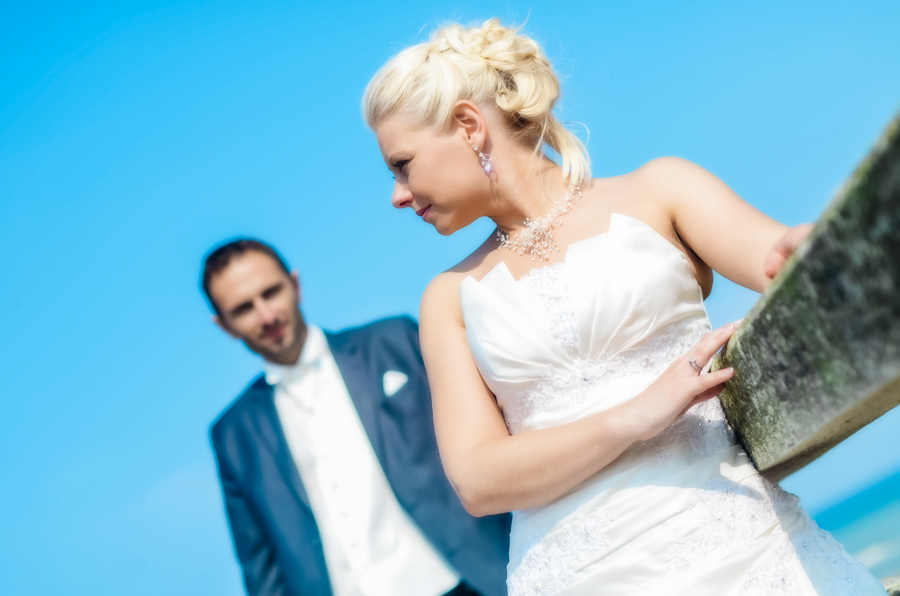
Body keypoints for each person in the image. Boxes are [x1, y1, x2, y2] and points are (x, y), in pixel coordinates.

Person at [362, 19, 887, 596]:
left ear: (468, 126)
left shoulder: (660, 190)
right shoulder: (448, 299)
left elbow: (780, 261)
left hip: (743, 548)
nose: (398, 195)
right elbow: (478, 480)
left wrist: (816, 250)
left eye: (402, 164)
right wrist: (633, 416)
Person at [203, 238, 511, 596]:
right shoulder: (232, 434)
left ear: (295, 285)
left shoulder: (393, 341)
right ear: (224, 325)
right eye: (244, 308)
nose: (266, 315)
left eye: (270, 292)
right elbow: (261, 566)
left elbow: (492, 433)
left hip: (465, 582)